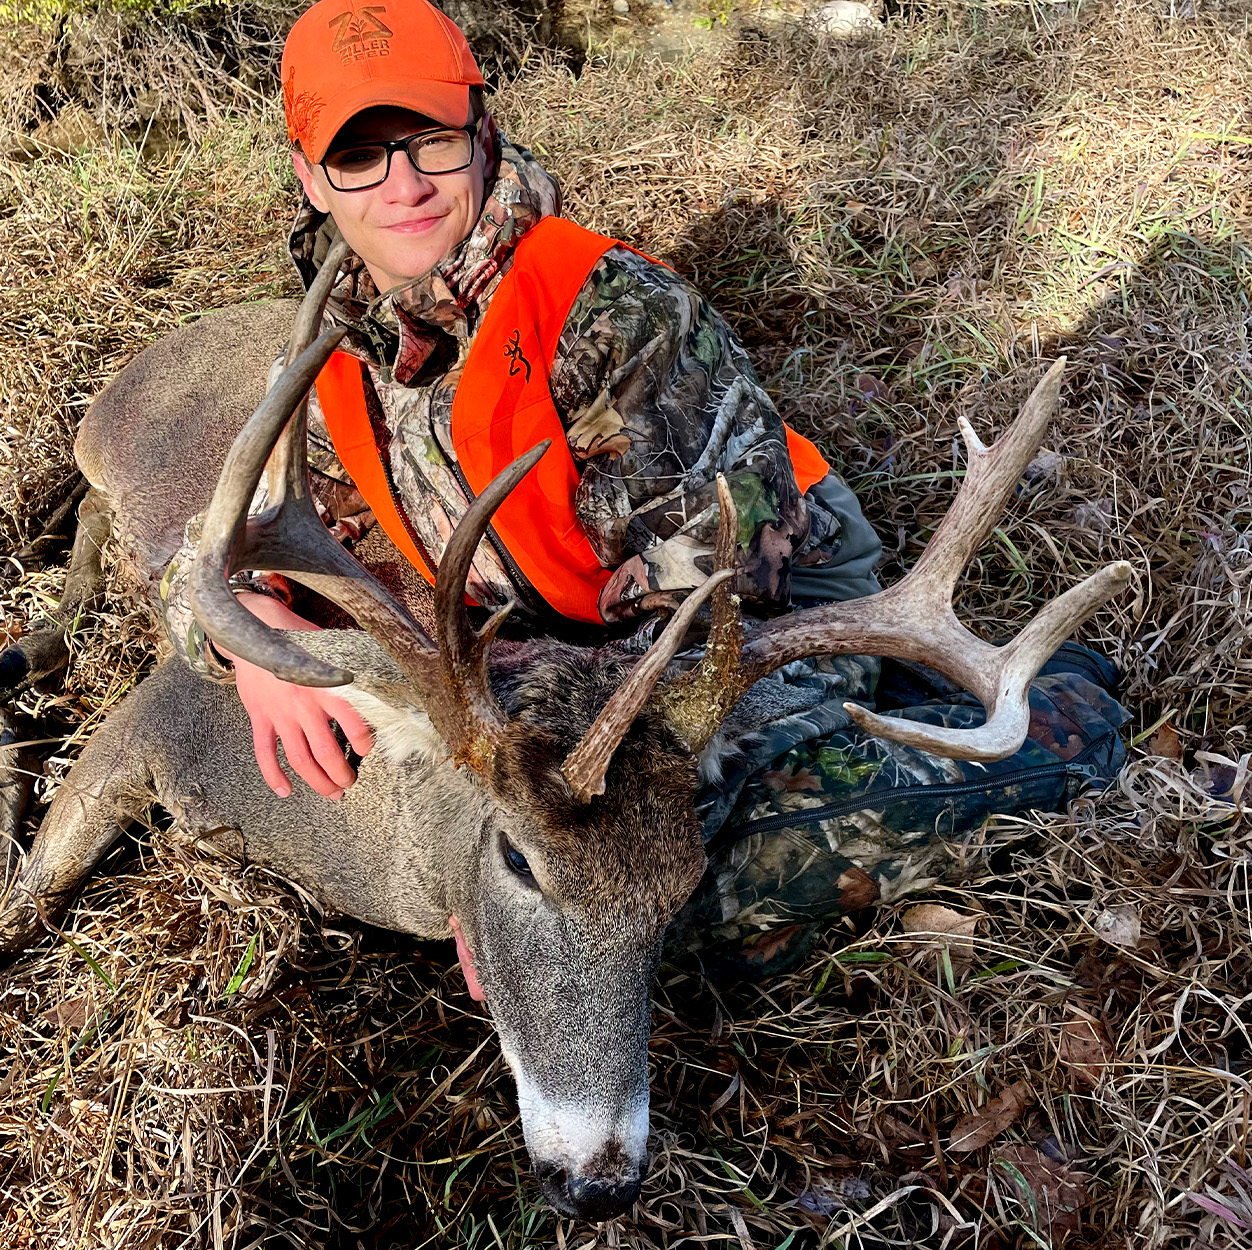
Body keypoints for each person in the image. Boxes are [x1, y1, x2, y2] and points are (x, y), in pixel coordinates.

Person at [157, 0, 1128, 978]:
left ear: (481, 133)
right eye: (358, 156)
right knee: (521, 872)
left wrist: (532, 798)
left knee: (662, 905)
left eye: (431, 142)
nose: (402, 183)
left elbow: (715, 582)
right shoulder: (333, 357)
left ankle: (1048, 724)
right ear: (311, 180)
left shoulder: (608, 308)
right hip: (554, 647)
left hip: (759, 610)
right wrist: (252, 638)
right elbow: (209, 553)